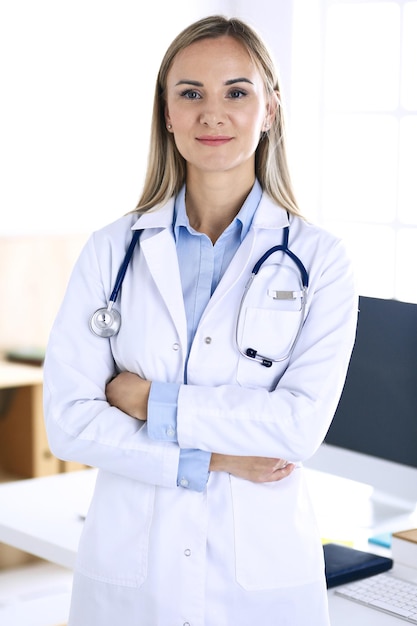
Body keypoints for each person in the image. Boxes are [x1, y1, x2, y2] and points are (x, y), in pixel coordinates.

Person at [43, 14, 357, 626]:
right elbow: (70, 423)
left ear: (269, 109)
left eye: (236, 92)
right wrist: (212, 459)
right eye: (190, 94)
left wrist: (147, 399)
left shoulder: (320, 260)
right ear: (166, 113)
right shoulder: (113, 250)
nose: (212, 114)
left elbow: (296, 427)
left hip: (261, 584)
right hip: (131, 582)